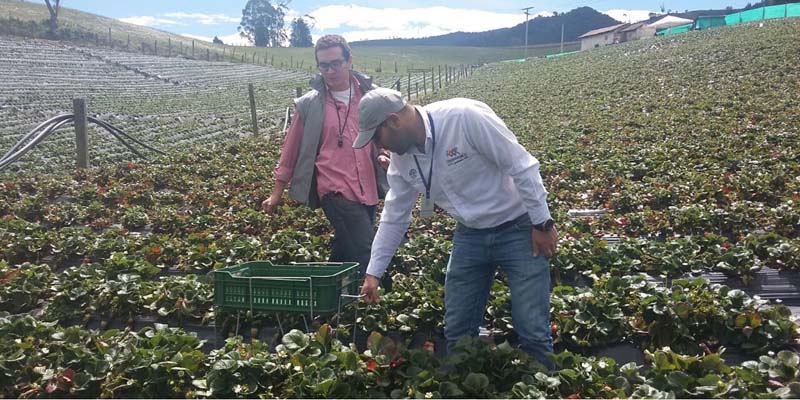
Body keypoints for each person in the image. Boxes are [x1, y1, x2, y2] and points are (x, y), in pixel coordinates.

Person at [353, 88, 558, 369]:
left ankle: (544, 384)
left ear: (393, 120)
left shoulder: (464, 117)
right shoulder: (402, 160)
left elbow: (522, 166)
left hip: (519, 228)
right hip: (470, 234)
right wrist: (373, 272)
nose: (379, 147)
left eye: (377, 137)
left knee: (532, 330)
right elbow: (394, 216)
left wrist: (542, 223)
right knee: (457, 328)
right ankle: (463, 385)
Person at [263, 35, 389, 283]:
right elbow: (291, 150)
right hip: (334, 189)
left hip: (368, 187)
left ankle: (325, 294)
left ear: (349, 60)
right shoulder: (310, 104)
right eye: (324, 65)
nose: (330, 71)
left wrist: (385, 153)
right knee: (367, 251)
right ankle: (384, 298)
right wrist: (276, 193)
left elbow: (385, 135)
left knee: (346, 248)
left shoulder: (370, 96)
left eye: (335, 63)